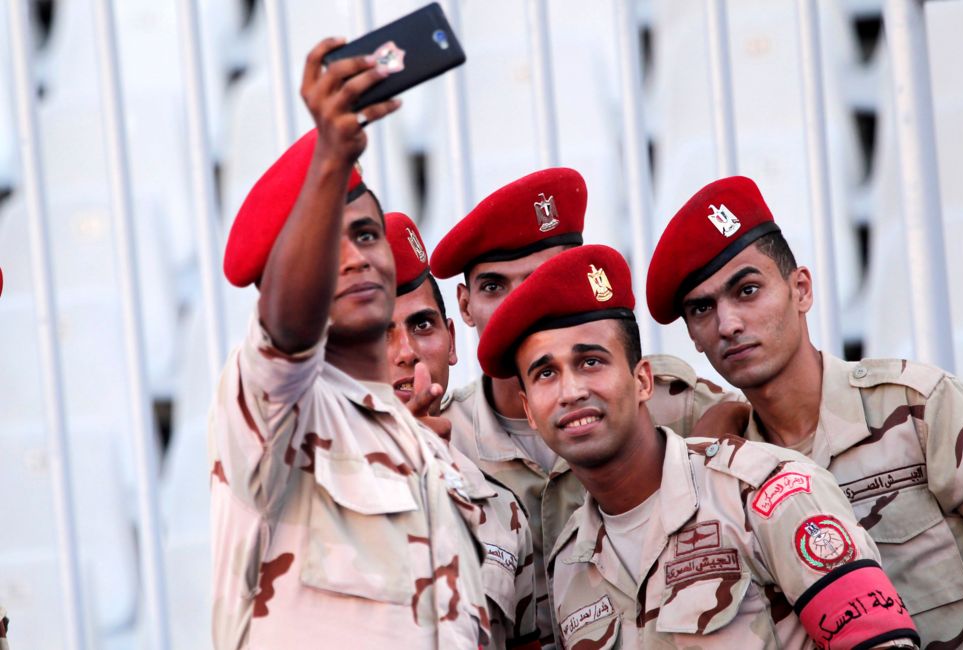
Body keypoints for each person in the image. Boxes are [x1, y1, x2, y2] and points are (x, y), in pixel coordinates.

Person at [478, 243, 920, 648]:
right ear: (530, 410)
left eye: (590, 361)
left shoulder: (766, 492)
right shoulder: (569, 564)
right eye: (546, 374)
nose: (571, 391)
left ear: (642, 381)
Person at [210, 39, 490, 648]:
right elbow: (284, 332)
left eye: (365, 234)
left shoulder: (441, 460)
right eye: (326, 245)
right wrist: (332, 155)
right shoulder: (274, 406)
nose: (356, 258)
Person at [646, 175, 963, 646]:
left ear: (800, 289)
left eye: (747, 291)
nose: (729, 324)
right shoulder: (732, 478)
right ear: (694, 339)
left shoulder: (917, 407)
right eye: (702, 310)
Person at [428, 168, 738, 645]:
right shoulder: (444, 442)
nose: (519, 305)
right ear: (465, 306)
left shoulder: (670, 400)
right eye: (494, 287)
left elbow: (756, 440)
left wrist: (719, 428)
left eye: (539, 281)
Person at [384, 211, 540, 649]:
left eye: (421, 325)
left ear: (452, 341)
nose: (407, 352)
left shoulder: (500, 509)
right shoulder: (309, 493)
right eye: (379, 333)